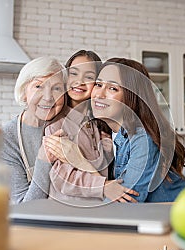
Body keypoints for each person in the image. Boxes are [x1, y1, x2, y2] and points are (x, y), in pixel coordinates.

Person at [46, 58, 185, 202]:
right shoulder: (111, 136)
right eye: (99, 84)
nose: (99, 95)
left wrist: (81, 162)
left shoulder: (142, 139)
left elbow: (125, 200)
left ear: (131, 96)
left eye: (113, 88)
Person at [44, 50, 138, 203]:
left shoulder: (98, 123)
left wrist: (107, 152)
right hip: (69, 212)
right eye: (74, 74)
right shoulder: (57, 126)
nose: (79, 81)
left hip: (99, 209)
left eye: (88, 77)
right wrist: (103, 186)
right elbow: (62, 178)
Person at [1, 57, 67, 204]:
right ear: (24, 92)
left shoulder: (68, 127)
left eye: (56, 88)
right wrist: (44, 161)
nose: (48, 98)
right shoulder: (7, 138)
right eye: (38, 87)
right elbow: (24, 206)